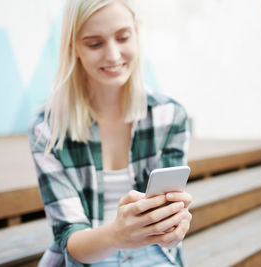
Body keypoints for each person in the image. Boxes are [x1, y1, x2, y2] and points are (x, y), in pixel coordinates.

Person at [28, 0, 192, 266]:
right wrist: (118, 235)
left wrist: (173, 228)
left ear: (136, 33)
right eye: (95, 44)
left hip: (156, 255)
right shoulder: (46, 128)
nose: (113, 55)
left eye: (123, 37)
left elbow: (168, 223)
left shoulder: (169, 115)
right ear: (74, 48)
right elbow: (71, 241)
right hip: (89, 257)